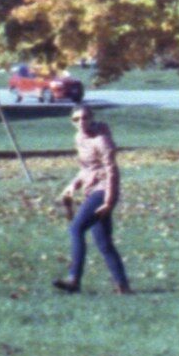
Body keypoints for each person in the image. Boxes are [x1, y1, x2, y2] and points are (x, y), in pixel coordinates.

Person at [53, 103, 129, 295]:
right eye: (76, 119)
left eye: (85, 117)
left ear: (92, 118)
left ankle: (74, 279)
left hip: (104, 191)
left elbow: (112, 172)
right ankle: (123, 287)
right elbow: (86, 168)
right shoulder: (78, 138)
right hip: (92, 189)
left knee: (76, 228)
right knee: (103, 242)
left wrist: (109, 202)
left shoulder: (101, 140)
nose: (81, 122)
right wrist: (73, 185)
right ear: (71, 122)